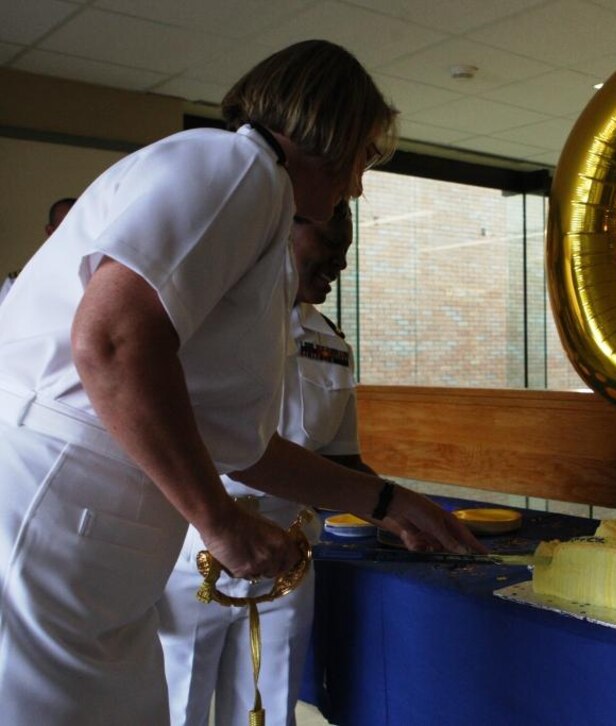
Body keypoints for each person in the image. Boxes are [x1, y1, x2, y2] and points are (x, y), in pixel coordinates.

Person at [0, 40, 481, 724]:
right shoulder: (237, 169)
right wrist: (218, 519)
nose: (358, 185)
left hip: (94, 537)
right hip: (58, 511)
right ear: (335, 135)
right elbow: (108, 342)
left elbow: (239, 441)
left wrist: (383, 500)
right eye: (365, 158)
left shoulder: (251, 200)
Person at [158, 201, 373, 726]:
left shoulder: (330, 343)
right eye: (330, 245)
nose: (340, 264)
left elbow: (343, 460)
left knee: (272, 708)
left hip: (290, 550)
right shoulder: (206, 318)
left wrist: (403, 510)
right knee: (176, 703)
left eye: (347, 251)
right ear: (283, 230)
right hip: (196, 543)